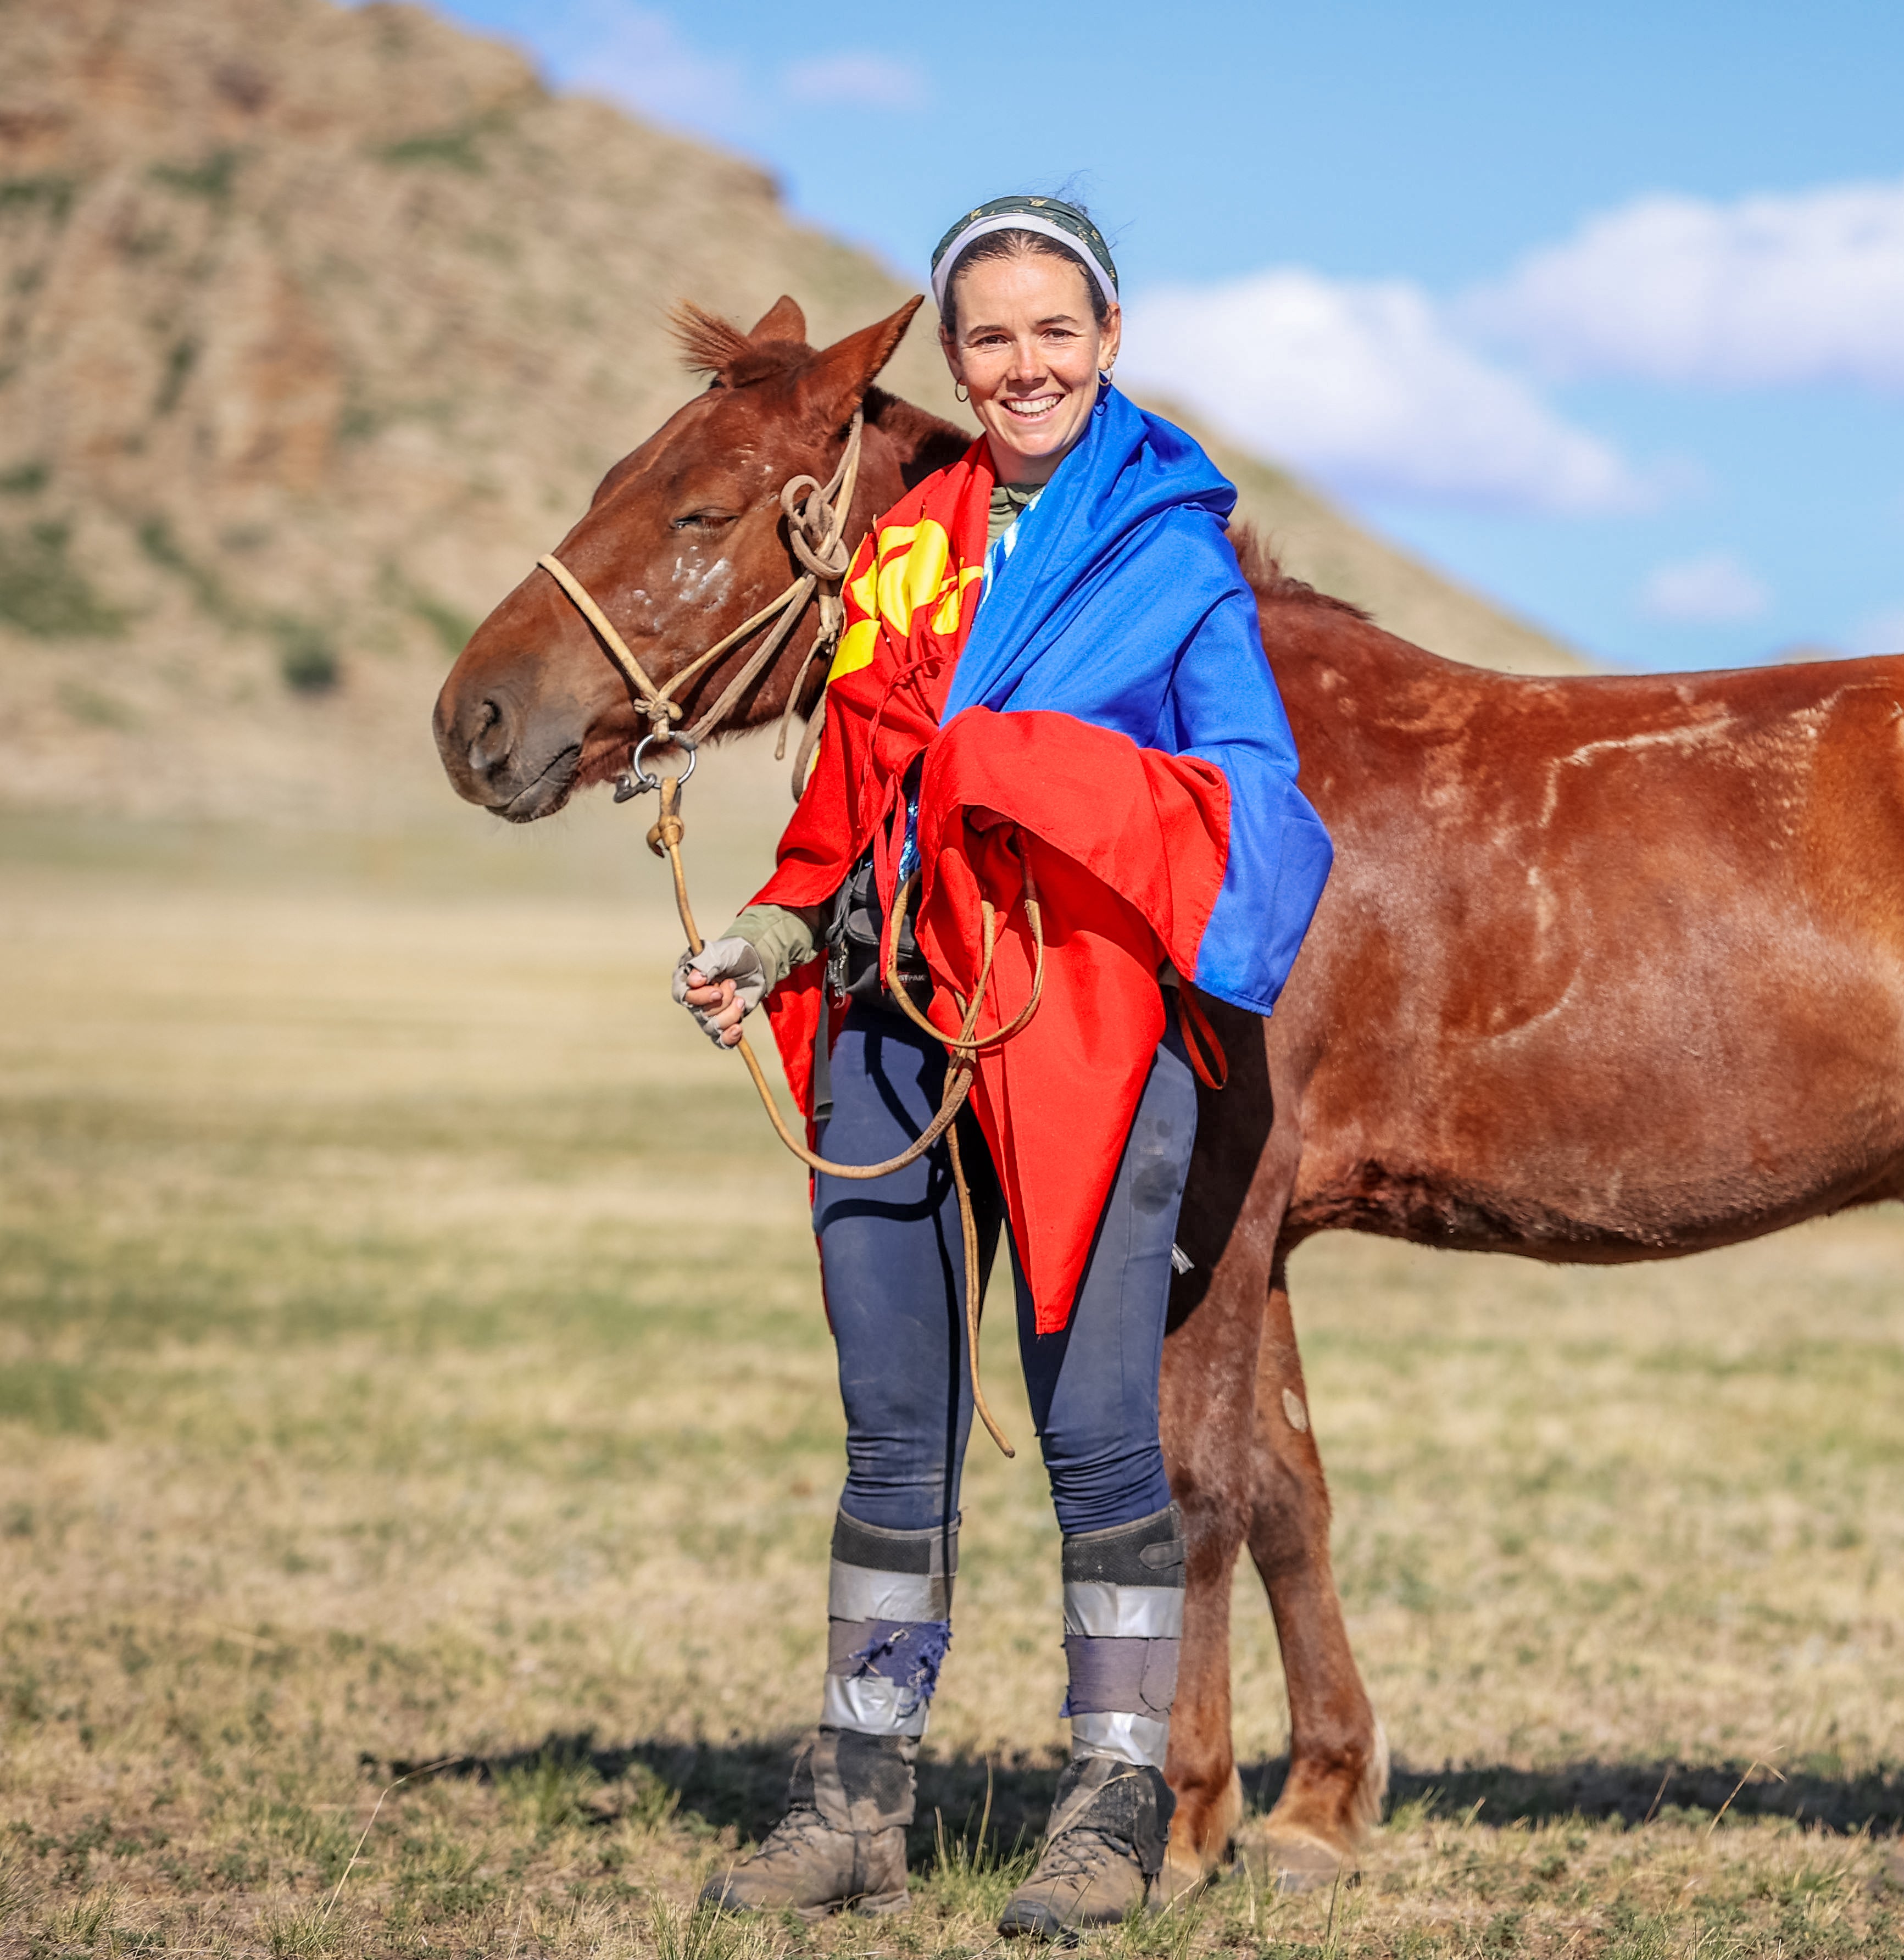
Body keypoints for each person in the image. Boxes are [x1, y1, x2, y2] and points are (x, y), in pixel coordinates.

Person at [672, 194, 1333, 1933]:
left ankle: (1113, 1806)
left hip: (1084, 1041)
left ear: (1107, 340)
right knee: (890, 1441)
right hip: (892, 1032)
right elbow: (853, 809)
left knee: (1104, 1439)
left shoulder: (1175, 553)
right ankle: (855, 1801)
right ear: (955, 363)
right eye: (991, 338)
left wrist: (1035, 769)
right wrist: (776, 934)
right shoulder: (909, 552)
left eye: (1056, 331)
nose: (1023, 364)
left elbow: (1264, 826)